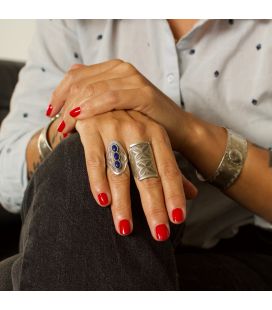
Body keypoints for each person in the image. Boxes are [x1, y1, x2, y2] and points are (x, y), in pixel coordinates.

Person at [0, 19, 272, 290]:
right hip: (83, 234)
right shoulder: (75, 17)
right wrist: (77, 125)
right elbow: (6, 169)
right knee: (82, 155)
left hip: (245, 250)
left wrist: (190, 133)